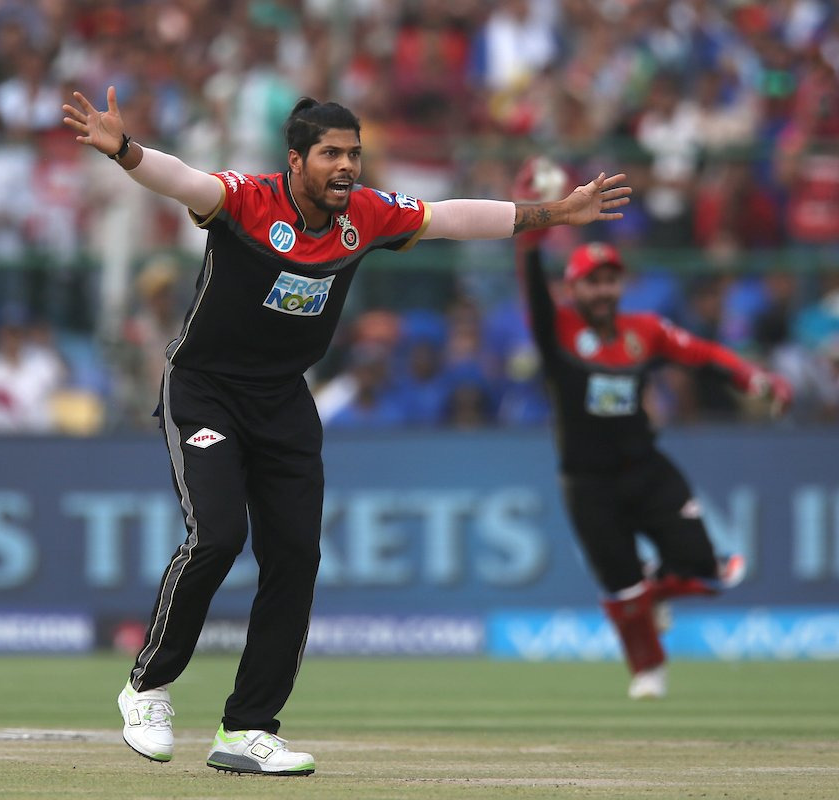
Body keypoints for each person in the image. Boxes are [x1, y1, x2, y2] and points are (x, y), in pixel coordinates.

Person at [63, 86, 628, 774]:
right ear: (295, 161)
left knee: (295, 557)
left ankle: (246, 729)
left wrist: (556, 213)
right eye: (331, 154)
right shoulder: (247, 200)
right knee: (219, 535)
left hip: (283, 400)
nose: (347, 167)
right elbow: (182, 178)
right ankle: (148, 687)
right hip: (206, 391)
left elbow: (453, 216)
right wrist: (124, 150)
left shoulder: (366, 214)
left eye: (354, 154)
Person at [513, 159, 792, 701]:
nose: (602, 291)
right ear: (573, 289)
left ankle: (654, 592)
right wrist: (535, 221)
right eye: (591, 282)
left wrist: (754, 378)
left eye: (610, 280)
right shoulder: (558, 332)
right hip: (587, 482)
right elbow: (529, 281)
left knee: (710, 570)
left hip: (646, 469)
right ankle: (647, 668)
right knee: (622, 589)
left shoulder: (644, 332)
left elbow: (704, 354)